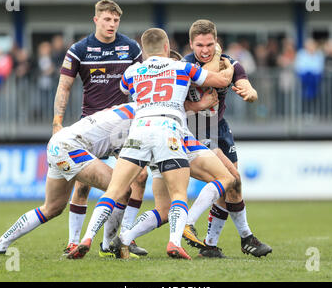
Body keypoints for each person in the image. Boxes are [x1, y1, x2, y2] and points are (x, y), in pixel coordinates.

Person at [66, 28, 236, 260]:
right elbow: (222, 80)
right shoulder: (182, 67)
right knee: (182, 192)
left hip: (140, 130)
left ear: (143, 50)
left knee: (115, 190)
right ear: (167, 47)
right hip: (169, 131)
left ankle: (87, 237)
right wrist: (221, 58)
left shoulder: (132, 71)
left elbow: (125, 89)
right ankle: (175, 242)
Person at [51, 0, 148, 257]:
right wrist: (57, 122)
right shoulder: (80, 49)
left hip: (123, 127)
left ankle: (122, 238)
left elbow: (145, 80)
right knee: (83, 185)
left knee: (140, 177)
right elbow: (64, 86)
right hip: (91, 125)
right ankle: (73, 241)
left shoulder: (131, 47)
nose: (112, 25)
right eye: (107, 19)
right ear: (96, 20)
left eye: (116, 20)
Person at [0, 103, 139, 258]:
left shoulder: (130, 111)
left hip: (57, 143)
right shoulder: (142, 119)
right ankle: (107, 248)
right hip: (70, 147)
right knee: (123, 190)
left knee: (52, 207)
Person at [182, 19, 272, 258]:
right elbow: (175, 106)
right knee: (230, 178)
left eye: (209, 44)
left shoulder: (229, 64)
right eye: (199, 45)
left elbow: (247, 87)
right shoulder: (183, 67)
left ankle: (210, 246)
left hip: (219, 128)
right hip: (194, 130)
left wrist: (249, 93)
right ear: (191, 44)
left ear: (216, 42)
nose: (204, 50)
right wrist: (199, 105)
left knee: (234, 185)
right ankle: (245, 238)